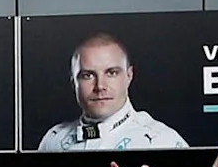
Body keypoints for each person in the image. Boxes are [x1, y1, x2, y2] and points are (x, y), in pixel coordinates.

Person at [34, 33, 185, 152]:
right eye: (88, 75)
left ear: (129, 75)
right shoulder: (53, 140)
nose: (100, 86)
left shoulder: (162, 141)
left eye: (111, 73)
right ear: (74, 82)